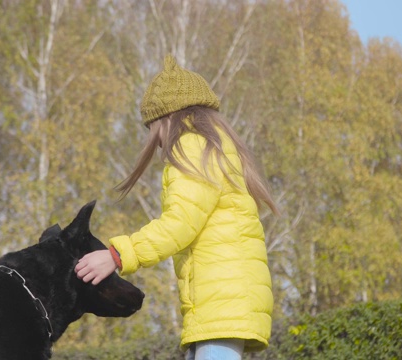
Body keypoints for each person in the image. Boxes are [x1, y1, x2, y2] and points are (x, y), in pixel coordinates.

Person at [75, 54, 278, 360]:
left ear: (166, 117)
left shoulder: (192, 147)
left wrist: (116, 256)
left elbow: (179, 224)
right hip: (229, 301)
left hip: (220, 303)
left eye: (152, 127)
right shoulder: (217, 149)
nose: (153, 140)